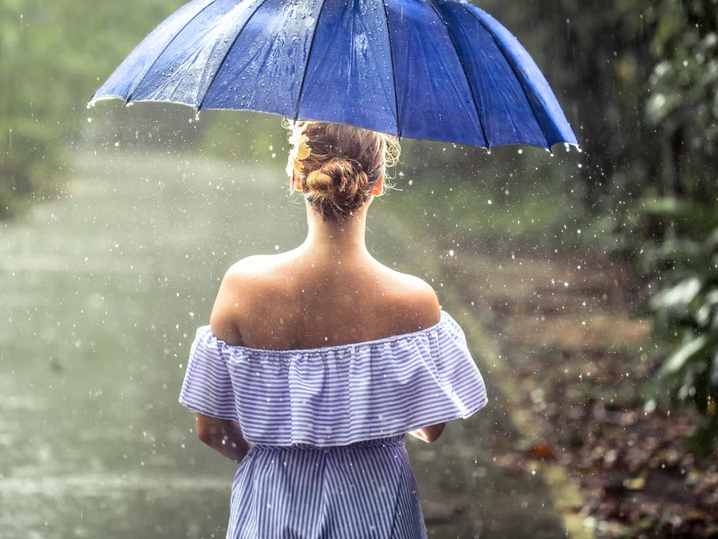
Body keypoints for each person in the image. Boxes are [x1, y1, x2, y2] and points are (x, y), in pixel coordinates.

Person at [179, 119, 488, 538]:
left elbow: (210, 428)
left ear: (296, 177)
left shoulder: (244, 286)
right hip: (376, 505)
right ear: (377, 184)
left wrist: (275, 459)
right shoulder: (413, 301)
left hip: (272, 504)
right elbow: (430, 428)